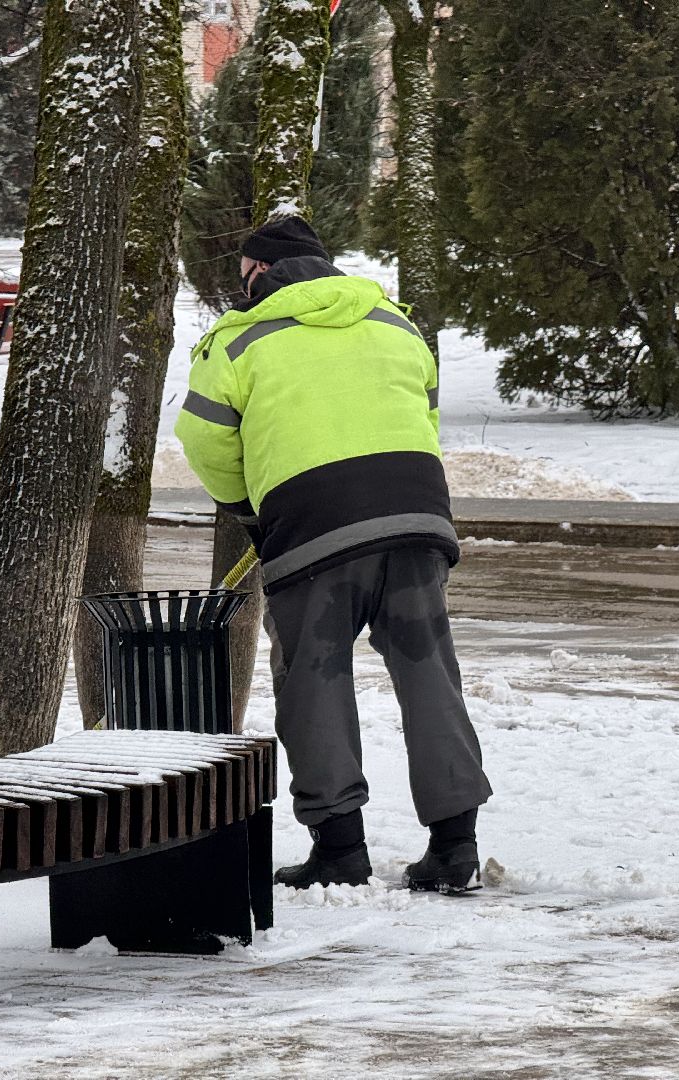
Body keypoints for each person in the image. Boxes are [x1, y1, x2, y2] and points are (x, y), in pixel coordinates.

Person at [174, 216, 493, 894]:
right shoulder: (395, 323)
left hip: (313, 524)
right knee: (430, 673)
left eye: (242, 278)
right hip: (415, 512)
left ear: (259, 272)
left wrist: (248, 510)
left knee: (313, 680)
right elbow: (425, 410)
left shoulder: (237, 341)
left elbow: (203, 440)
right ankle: (455, 847)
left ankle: (340, 847)